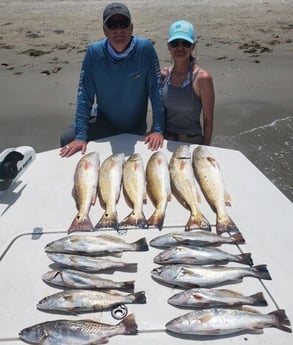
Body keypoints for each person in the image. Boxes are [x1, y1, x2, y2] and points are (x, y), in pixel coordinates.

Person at [60, 2, 164, 157]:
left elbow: (156, 92)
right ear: (105, 29)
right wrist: (81, 136)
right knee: (67, 138)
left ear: (131, 27)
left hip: (135, 128)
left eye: (123, 24)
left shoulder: (145, 49)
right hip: (104, 123)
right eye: (112, 25)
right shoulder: (94, 53)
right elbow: (84, 96)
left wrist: (158, 129)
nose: (119, 30)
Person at [162, 20, 215, 145]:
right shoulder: (162, 75)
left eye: (185, 43)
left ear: (193, 46)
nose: (180, 48)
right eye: (175, 43)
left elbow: (208, 119)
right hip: (166, 140)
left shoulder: (202, 78)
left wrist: (205, 148)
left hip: (192, 141)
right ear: (168, 46)